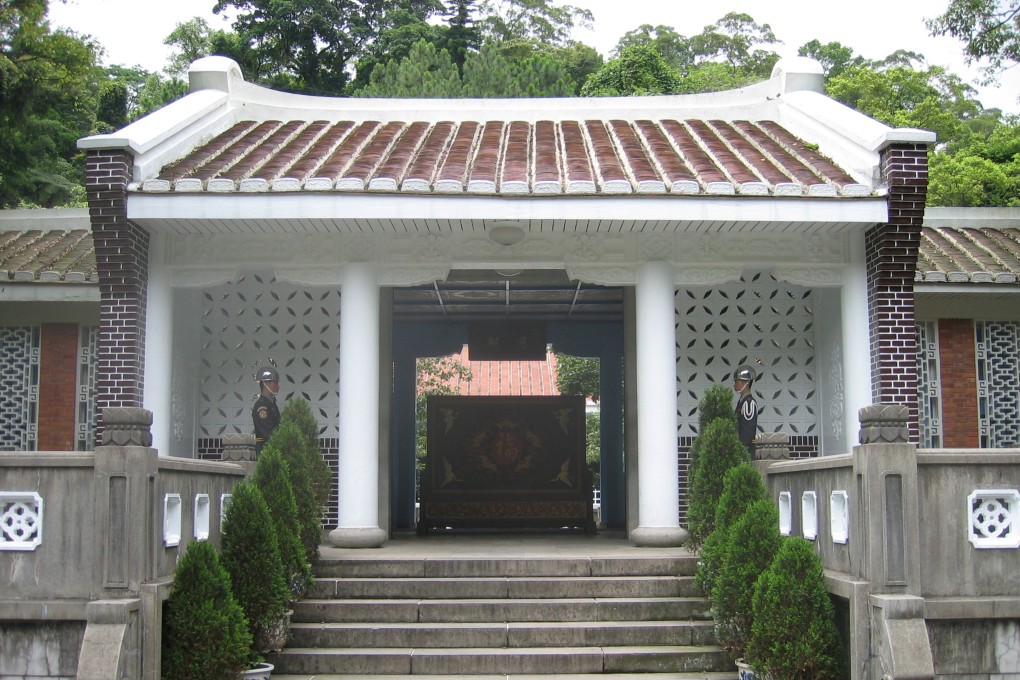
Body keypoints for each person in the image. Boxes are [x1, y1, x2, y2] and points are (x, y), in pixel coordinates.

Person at [252, 366, 281, 454]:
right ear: (266, 384)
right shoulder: (261, 406)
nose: (278, 386)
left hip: (273, 449)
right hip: (265, 450)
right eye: (275, 383)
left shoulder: (272, 404)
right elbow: (267, 433)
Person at [733, 364, 758, 457]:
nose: (734, 384)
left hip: (746, 453)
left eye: (737, 381)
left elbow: (748, 433)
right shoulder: (742, 402)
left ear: (746, 382)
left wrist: (741, 450)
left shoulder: (749, 403)